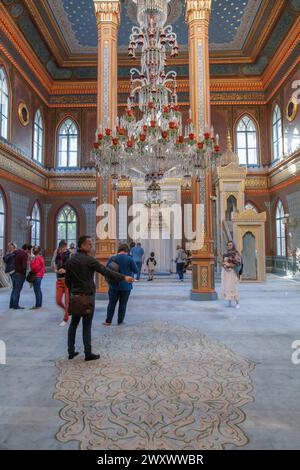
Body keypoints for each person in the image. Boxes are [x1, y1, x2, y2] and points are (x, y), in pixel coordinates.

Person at [65, 236, 134, 361]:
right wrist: (124, 277)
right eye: (89, 244)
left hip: (75, 296)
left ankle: (71, 351)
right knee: (86, 325)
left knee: (74, 324)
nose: (92, 246)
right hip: (87, 297)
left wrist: (72, 294)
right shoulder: (90, 260)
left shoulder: (70, 261)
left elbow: (67, 281)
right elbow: (106, 272)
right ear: (81, 246)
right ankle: (88, 353)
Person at [103, 243, 138, 326]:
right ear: (127, 251)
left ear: (119, 250)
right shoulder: (130, 259)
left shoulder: (112, 258)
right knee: (123, 304)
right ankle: (120, 321)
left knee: (111, 303)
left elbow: (106, 271)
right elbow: (136, 270)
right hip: (126, 286)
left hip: (113, 285)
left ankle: (108, 321)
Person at [221, 240, 242, 309]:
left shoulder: (236, 253)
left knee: (233, 287)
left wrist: (229, 265)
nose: (229, 246)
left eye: (230, 245)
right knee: (227, 287)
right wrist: (224, 265)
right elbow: (222, 262)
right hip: (225, 272)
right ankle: (229, 302)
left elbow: (238, 263)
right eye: (228, 245)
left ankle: (237, 303)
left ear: (233, 245)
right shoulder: (225, 254)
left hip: (232, 272)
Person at [54, 240, 71, 326]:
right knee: (58, 300)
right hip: (59, 280)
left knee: (67, 301)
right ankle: (67, 311)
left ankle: (65, 318)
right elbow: (56, 266)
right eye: (61, 248)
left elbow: (72, 267)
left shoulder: (70, 255)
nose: (62, 249)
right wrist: (56, 270)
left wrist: (65, 270)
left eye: (63, 247)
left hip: (67, 280)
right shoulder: (57, 256)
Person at [10, 244, 32, 309]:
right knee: (17, 290)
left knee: (14, 289)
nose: (29, 252)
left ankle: (11, 305)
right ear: (27, 249)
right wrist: (24, 274)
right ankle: (16, 306)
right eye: (29, 250)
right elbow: (24, 266)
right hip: (20, 274)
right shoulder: (24, 254)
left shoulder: (16, 252)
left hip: (13, 273)